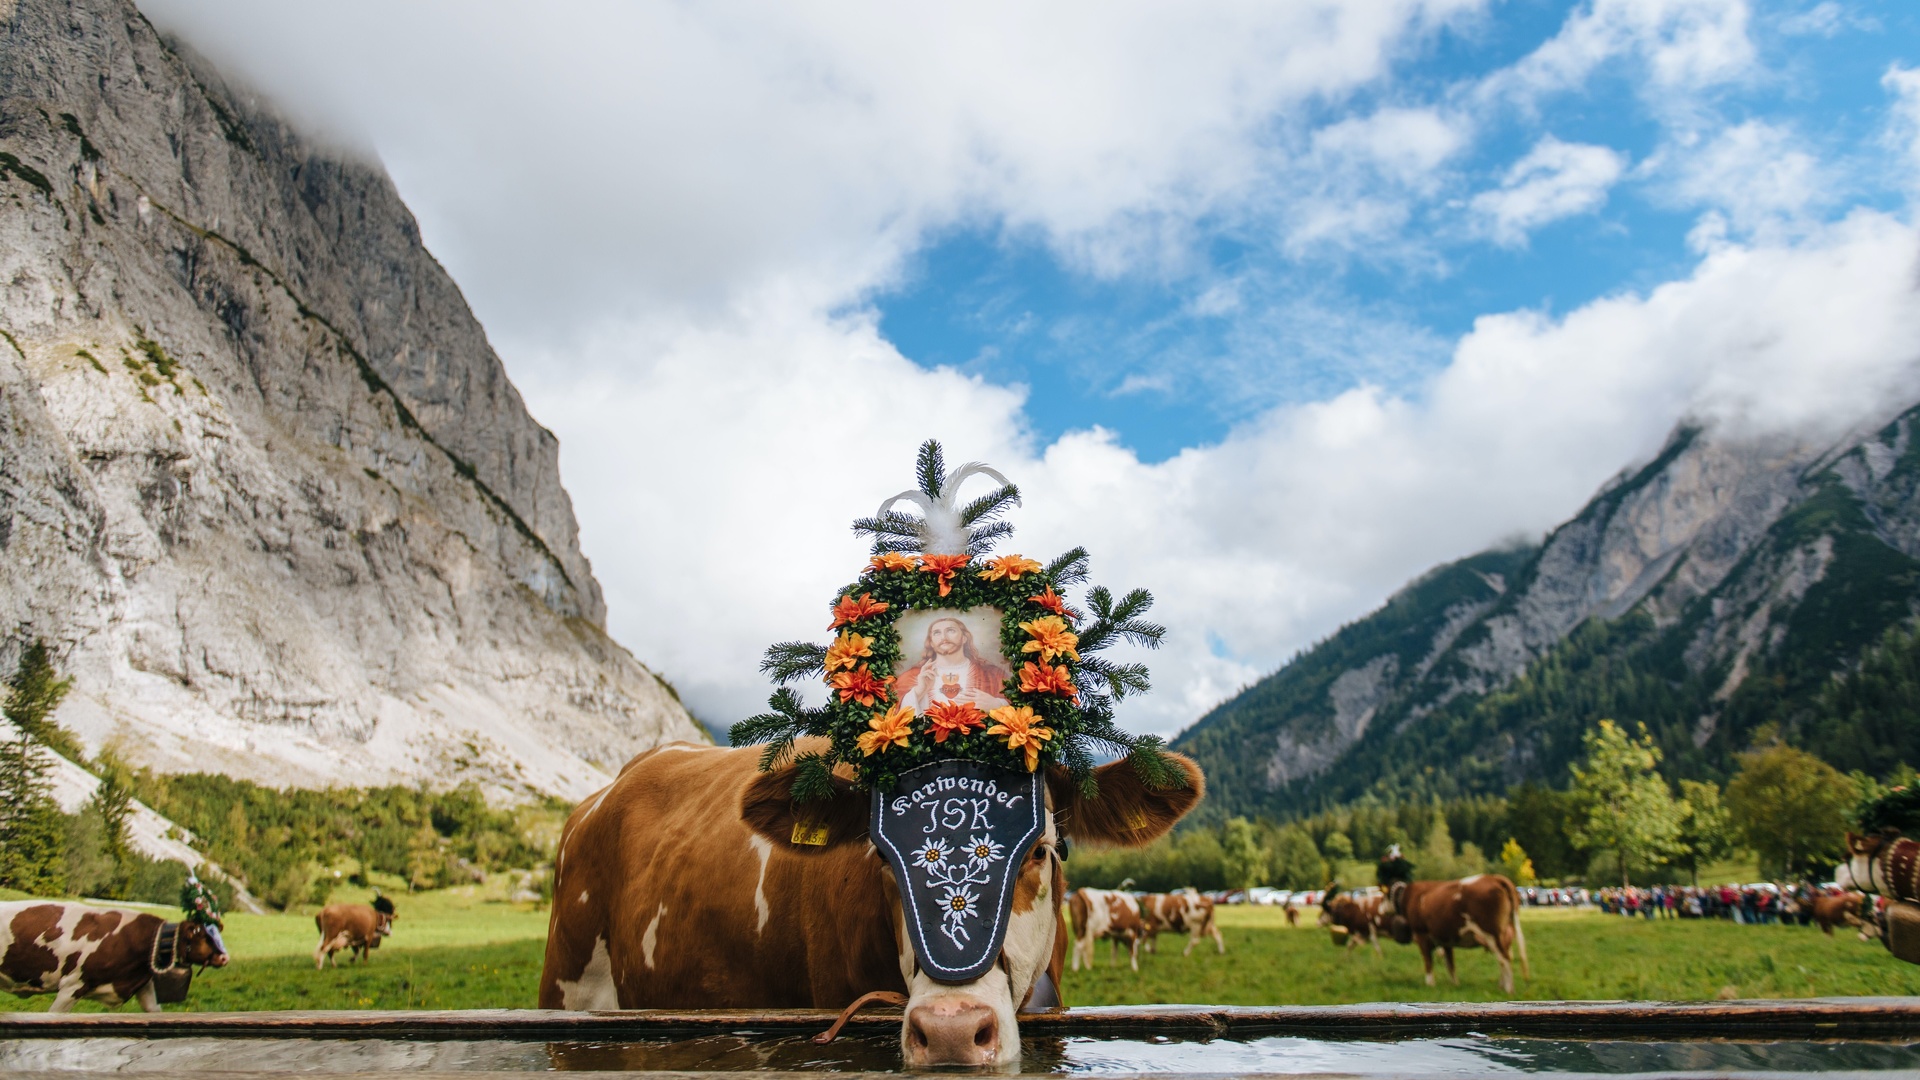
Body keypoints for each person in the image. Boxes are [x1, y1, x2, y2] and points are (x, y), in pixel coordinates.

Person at [896, 616, 1011, 715]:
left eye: (951, 631)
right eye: (937, 633)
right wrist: (917, 693)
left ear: (964, 638)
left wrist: (997, 705)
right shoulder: (912, 676)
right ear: (931, 642)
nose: (944, 638)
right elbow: (894, 714)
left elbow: (1016, 707)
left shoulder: (992, 674)